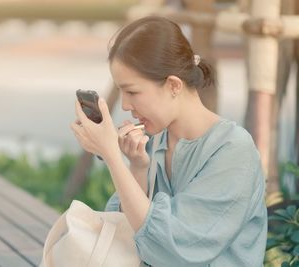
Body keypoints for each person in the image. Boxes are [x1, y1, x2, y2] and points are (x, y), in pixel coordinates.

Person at [70, 16, 267, 267]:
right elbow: (123, 238)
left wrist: (111, 156)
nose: (126, 105)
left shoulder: (233, 151)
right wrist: (137, 168)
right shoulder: (154, 143)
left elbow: (173, 251)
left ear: (173, 85)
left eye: (132, 92)